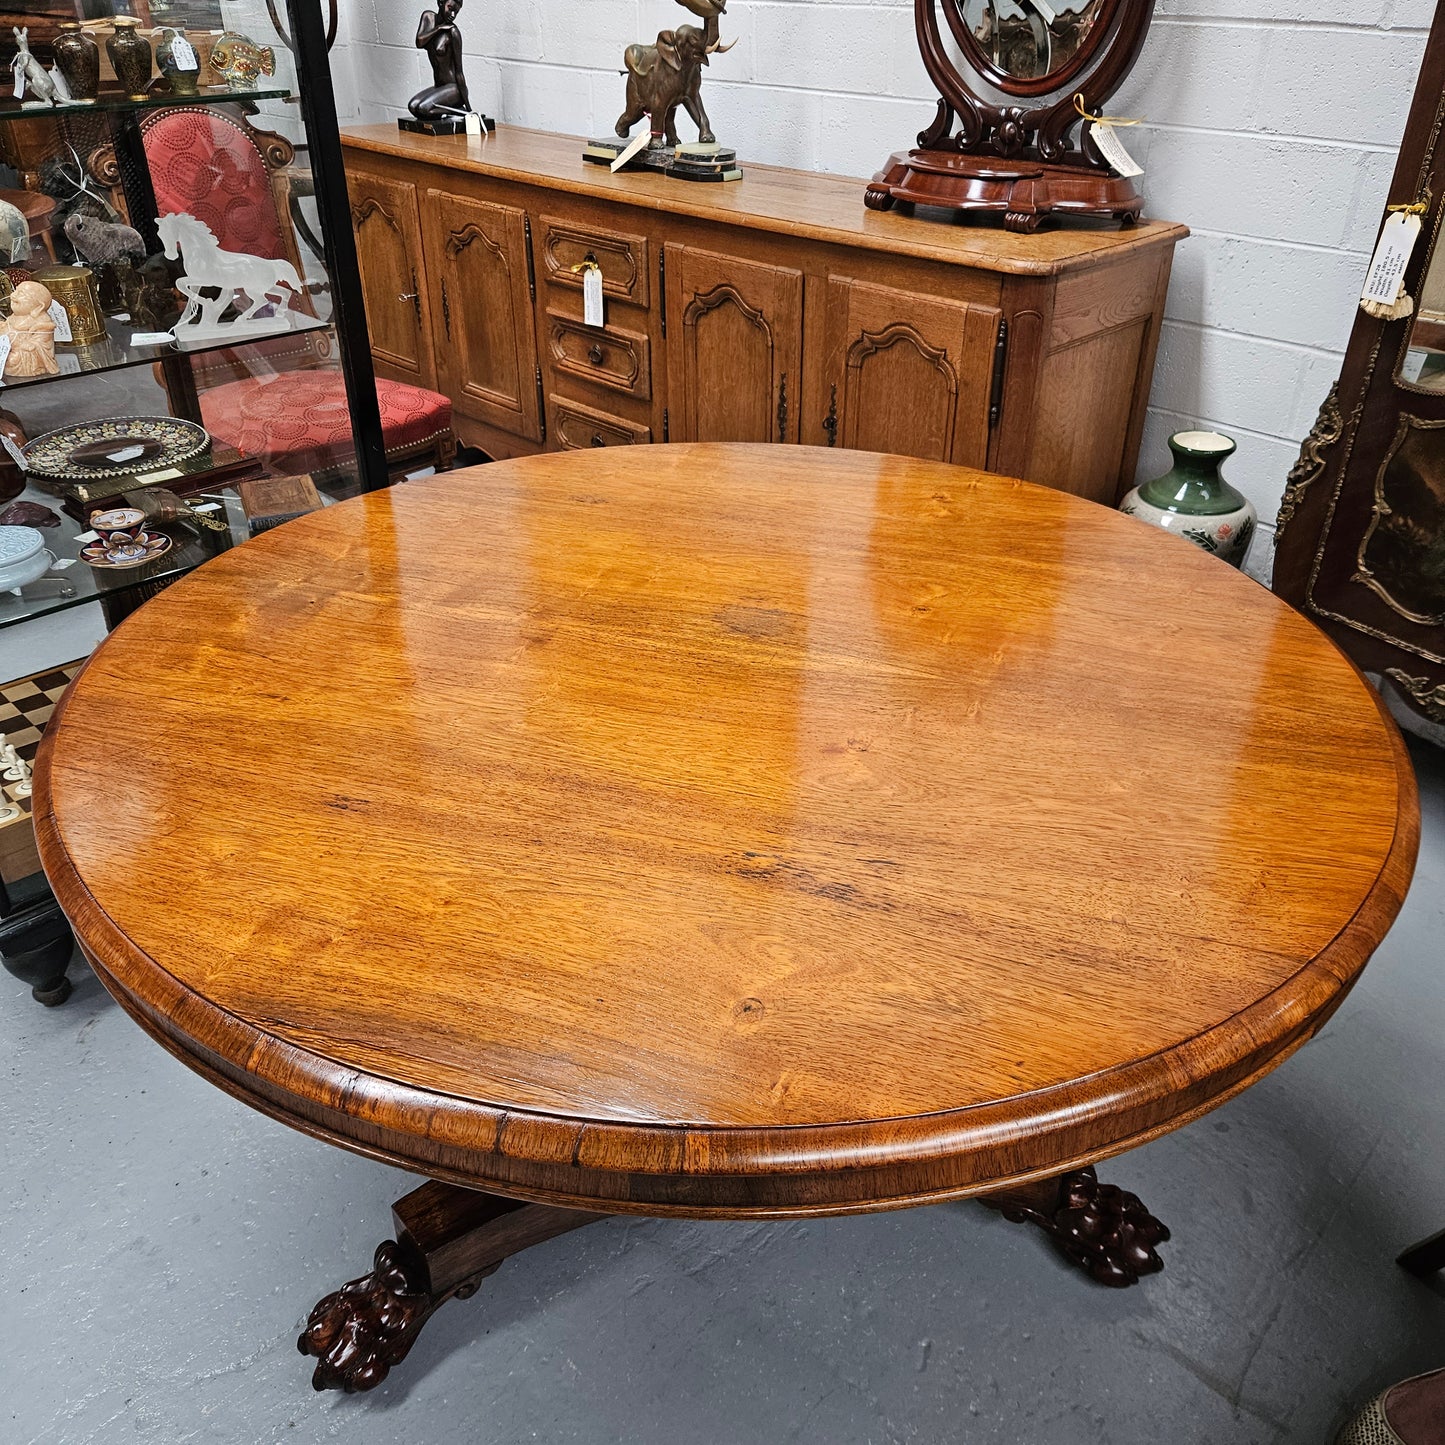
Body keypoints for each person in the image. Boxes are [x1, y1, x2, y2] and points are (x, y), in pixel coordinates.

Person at [409, 0, 471, 124]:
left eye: (456, 12)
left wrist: (469, 109)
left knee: (423, 109)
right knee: (413, 106)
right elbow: (419, 42)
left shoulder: (453, 32)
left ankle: (458, 109)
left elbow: (459, 71)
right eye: (451, 8)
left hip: (453, 89)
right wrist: (439, 28)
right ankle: (454, 110)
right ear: (441, 2)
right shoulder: (428, 17)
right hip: (439, 87)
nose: (453, 15)